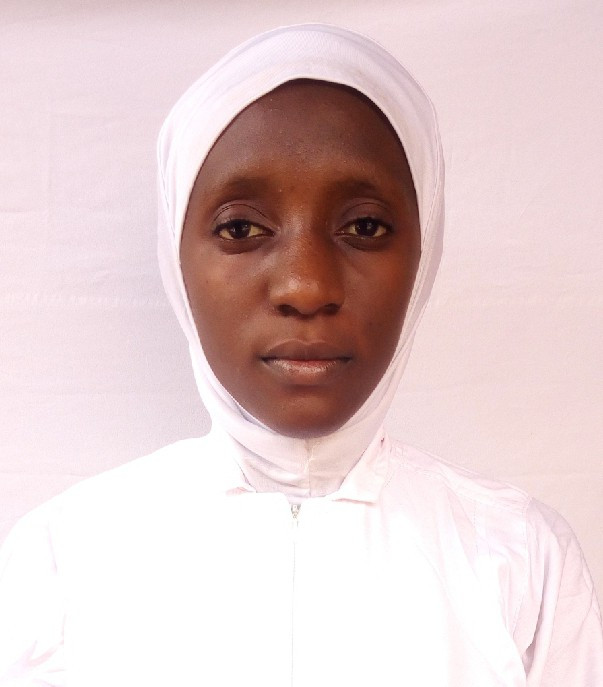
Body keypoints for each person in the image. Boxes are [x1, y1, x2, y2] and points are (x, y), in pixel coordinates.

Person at [0, 23, 601, 687]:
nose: (306, 286)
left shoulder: (522, 563)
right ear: (176, 256)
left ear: (424, 250)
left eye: (364, 227)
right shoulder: (60, 565)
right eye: (240, 228)